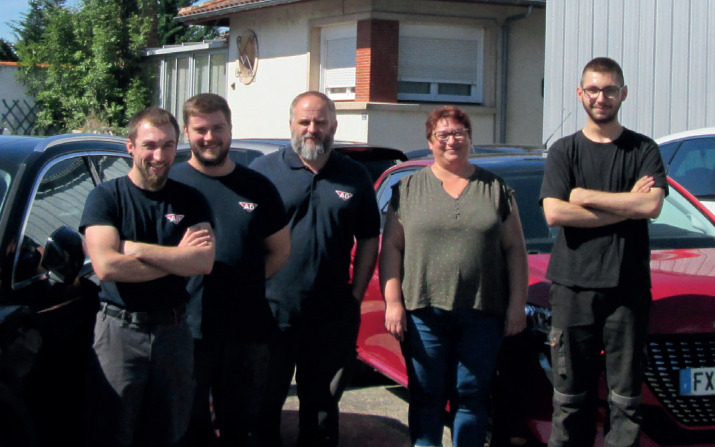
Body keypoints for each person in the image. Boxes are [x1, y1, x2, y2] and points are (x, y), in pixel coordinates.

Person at [380, 105, 529, 447]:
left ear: (470, 138)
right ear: (430, 141)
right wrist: (393, 302)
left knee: (471, 395)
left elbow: (515, 251)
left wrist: (516, 304)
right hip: (423, 314)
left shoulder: (495, 188)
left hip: (482, 313)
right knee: (426, 396)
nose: (451, 141)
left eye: (458, 133)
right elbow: (392, 250)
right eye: (442, 134)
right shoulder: (408, 189)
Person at [539, 57, 667, 447]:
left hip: (628, 289)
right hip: (572, 289)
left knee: (626, 402)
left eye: (610, 90)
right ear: (580, 93)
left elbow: (651, 205)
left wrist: (584, 196)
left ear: (623, 94)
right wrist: (627, 206)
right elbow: (555, 212)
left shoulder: (643, 149)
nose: (601, 97)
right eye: (593, 89)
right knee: (569, 401)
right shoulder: (564, 151)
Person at [250, 91, 380, 447]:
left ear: (333, 126)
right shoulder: (263, 173)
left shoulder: (354, 175)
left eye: (320, 122)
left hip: (330, 315)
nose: (312, 129)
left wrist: (355, 297)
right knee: (263, 405)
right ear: (291, 124)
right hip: (270, 312)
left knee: (321, 410)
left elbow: (369, 237)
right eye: (304, 121)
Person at [80, 106, 216, 447]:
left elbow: (202, 262)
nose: (159, 156)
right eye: (150, 145)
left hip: (173, 331)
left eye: (168, 145)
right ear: (130, 146)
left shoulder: (190, 200)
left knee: (170, 431)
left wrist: (133, 248)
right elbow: (106, 267)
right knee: (112, 430)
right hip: (119, 331)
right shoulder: (106, 198)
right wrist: (177, 258)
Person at [170, 93, 290, 447]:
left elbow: (279, 252)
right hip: (184, 332)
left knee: (241, 429)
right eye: (200, 130)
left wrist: (243, 283)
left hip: (245, 332)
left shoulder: (258, 187)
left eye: (218, 128)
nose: (210, 137)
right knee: (187, 428)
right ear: (187, 133)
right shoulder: (171, 185)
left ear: (230, 128)